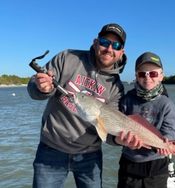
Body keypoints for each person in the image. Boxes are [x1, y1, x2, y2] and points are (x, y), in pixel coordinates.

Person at [27, 23, 140, 188]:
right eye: (104, 42)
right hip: (51, 148)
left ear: (121, 52)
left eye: (116, 45)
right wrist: (41, 87)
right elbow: (33, 88)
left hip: (89, 155)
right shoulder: (68, 58)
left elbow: (107, 132)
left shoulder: (117, 89)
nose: (109, 48)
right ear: (95, 42)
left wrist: (121, 140)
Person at [117, 52, 175, 188]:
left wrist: (166, 142)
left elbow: (169, 131)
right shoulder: (127, 100)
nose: (147, 78)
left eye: (153, 74)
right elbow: (117, 126)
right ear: (136, 76)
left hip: (157, 167)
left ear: (161, 76)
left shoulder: (167, 104)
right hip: (129, 164)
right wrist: (122, 140)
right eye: (142, 74)